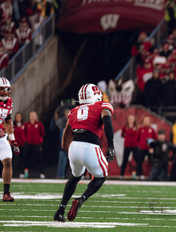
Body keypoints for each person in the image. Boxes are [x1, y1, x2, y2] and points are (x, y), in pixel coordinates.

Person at [54, 84, 115, 222]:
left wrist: (68, 149)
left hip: (74, 147)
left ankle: (61, 209)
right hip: (90, 146)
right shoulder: (102, 105)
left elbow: (65, 135)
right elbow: (107, 121)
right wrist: (111, 145)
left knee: (75, 177)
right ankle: (80, 200)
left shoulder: (75, 110)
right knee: (101, 176)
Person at [0, 77, 20, 201]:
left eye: (7, 89)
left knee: (8, 160)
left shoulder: (9, 102)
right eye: (2, 90)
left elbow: (7, 121)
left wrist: (13, 140)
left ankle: (6, 193)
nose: (5, 92)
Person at [22, 110, 45, 178]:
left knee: (39, 159)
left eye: (33, 115)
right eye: (31, 115)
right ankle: (23, 173)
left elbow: (42, 134)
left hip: (37, 144)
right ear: (29, 116)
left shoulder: (39, 124)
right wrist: (25, 141)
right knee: (25, 158)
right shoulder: (26, 125)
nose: (32, 117)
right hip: (28, 144)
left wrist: (40, 143)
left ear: (36, 116)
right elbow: (24, 134)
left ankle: (42, 173)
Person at [120, 114, 139, 178]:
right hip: (127, 146)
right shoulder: (125, 127)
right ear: (127, 120)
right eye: (129, 119)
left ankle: (139, 174)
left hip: (135, 146)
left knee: (138, 160)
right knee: (125, 160)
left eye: (132, 119)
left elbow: (139, 136)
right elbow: (122, 135)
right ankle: (121, 175)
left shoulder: (137, 127)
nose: (130, 120)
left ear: (134, 120)